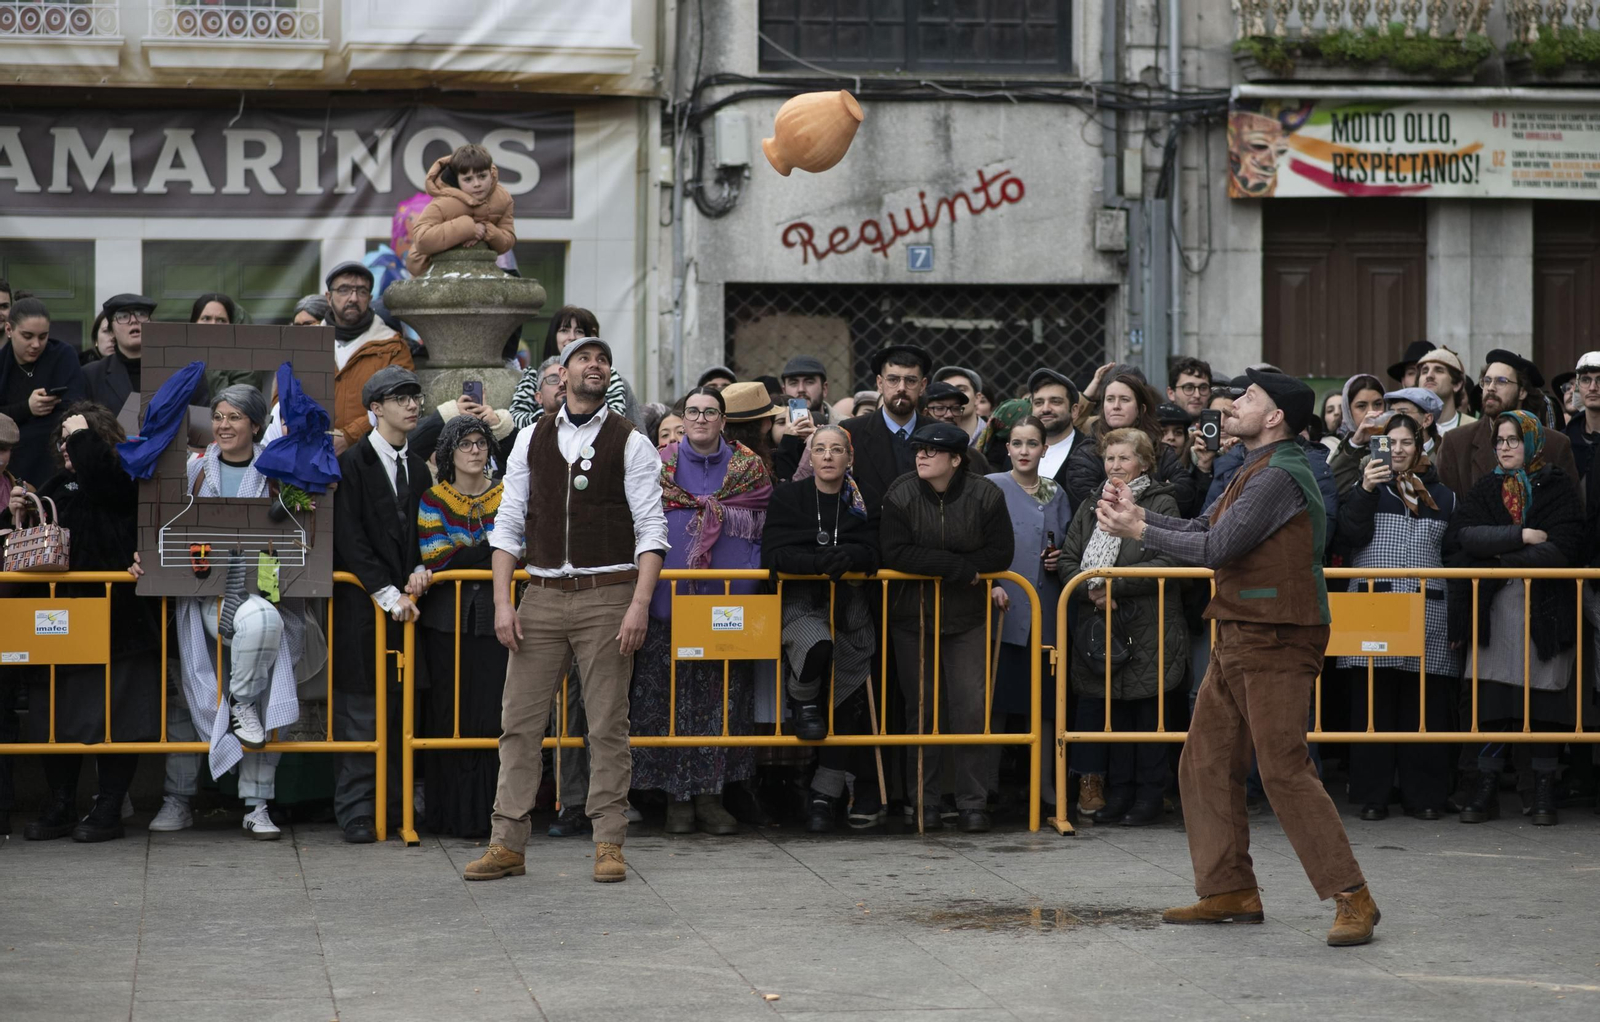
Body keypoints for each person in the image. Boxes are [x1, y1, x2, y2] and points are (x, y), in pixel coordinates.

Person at [1094, 369, 1379, 947]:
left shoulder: (1279, 473)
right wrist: (1141, 517)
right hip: (1241, 632)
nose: (1233, 403)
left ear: (1275, 417)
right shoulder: (1251, 467)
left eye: (1249, 397)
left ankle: (1354, 897)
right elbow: (1203, 526)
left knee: (1282, 769)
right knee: (1203, 763)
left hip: (1277, 635)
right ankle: (1230, 890)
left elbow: (1216, 548)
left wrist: (1140, 525)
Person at [467, 336, 667, 884]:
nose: (595, 365)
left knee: (606, 726)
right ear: (559, 375)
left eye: (603, 358)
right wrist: (506, 602)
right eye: (584, 358)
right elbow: (507, 526)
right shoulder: (530, 437)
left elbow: (652, 531)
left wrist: (639, 605)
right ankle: (506, 843)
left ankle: (608, 842)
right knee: (519, 724)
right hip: (544, 594)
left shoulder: (631, 441)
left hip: (608, 595)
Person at [161, 385, 305, 841]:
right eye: (218, 416)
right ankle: (177, 798)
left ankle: (257, 803)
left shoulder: (278, 475)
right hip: (204, 601)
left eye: (235, 417)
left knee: (257, 681)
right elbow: (164, 527)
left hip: (259, 597)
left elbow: (305, 536)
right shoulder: (192, 472)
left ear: (256, 425)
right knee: (191, 694)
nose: (223, 425)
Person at [7, 404, 156, 842]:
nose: (67, 447)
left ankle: (109, 807)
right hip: (58, 624)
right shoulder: (52, 487)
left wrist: (84, 437)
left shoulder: (126, 479)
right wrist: (21, 509)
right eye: (64, 439)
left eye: (77, 439)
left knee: (118, 719)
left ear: (98, 441)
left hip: (117, 624)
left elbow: (108, 488)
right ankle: (60, 805)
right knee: (57, 720)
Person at [631, 386, 771, 834]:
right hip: (666, 605)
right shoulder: (660, 464)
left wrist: (747, 589)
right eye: (693, 411)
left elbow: (761, 533)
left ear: (724, 420)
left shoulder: (749, 468)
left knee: (723, 703)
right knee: (669, 703)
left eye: (710, 412)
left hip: (727, 608)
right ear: (683, 417)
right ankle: (676, 800)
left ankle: (713, 798)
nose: (701, 419)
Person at [1446, 410, 1585, 827]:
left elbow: (1564, 548)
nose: (1504, 447)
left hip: (1546, 610)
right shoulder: (1488, 487)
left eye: (1513, 440)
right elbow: (1464, 536)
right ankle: (1485, 788)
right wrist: (1519, 537)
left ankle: (1543, 788)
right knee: (1493, 702)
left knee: (1544, 700)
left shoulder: (1558, 486)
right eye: (1500, 441)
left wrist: (1496, 559)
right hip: (1495, 611)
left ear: (1532, 442)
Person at [880, 422, 1015, 832]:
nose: (921, 455)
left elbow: (1000, 552)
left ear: (956, 460)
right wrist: (956, 566)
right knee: (921, 709)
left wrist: (939, 562)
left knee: (970, 709)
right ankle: (925, 802)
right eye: (918, 449)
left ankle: (973, 803)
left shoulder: (985, 494)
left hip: (968, 619)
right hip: (912, 618)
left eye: (931, 451)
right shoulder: (900, 493)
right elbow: (895, 552)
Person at [1059, 427, 1187, 827]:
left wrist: (1113, 580)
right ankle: (1118, 793)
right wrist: (1091, 590)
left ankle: (1149, 795)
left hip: (1149, 626)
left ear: (1144, 463)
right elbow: (1068, 561)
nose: (1115, 466)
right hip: (1100, 624)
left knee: (1147, 713)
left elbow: (1171, 561)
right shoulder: (1090, 505)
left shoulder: (1161, 503)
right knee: (1113, 714)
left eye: (1124, 458)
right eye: (1110, 458)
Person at [761, 425, 883, 831]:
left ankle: (824, 795)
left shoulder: (860, 504)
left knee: (847, 701)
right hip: (801, 602)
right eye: (819, 449)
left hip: (849, 605)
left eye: (836, 450)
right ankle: (803, 698)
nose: (828, 456)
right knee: (817, 644)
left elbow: (873, 550)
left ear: (849, 458)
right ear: (808, 458)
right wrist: (815, 563)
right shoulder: (788, 497)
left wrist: (850, 554)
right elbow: (774, 553)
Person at [1335, 413, 1456, 821]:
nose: (1399, 450)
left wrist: (1458, 616)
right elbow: (1348, 536)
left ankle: (1425, 796)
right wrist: (1367, 488)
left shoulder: (1444, 496)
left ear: (1420, 446)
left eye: (1407, 442)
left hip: (1428, 611)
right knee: (1374, 705)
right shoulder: (1365, 488)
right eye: (1391, 442)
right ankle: (1373, 795)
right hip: (1374, 608)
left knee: (1425, 707)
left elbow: (1454, 558)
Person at [331, 366, 433, 843]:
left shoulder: (415, 466)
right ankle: (356, 809)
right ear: (375, 408)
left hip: (407, 607)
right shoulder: (353, 463)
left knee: (401, 709)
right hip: (364, 606)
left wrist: (418, 568)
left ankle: (394, 807)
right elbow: (349, 538)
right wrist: (387, 593)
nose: (412, 405)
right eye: (400, 398)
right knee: (360, 710)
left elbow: (418, 531)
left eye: (414, 397)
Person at [416, 416, 506, 838]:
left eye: (481, 443)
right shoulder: (433, 498)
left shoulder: (507, 495)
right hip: (444, 621)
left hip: (495, 619)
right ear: (449, 453)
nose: (475, 451)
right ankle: (448, 814)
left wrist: (474, 552)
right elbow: (437, 557)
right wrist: (492, 549)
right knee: (446, 712)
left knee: (490, 714)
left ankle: (488, 815)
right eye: (465, 444)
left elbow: (518, 548)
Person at [986, 415, 1071, 806]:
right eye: (1017, 443)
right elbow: (978, 543)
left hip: (1047, 612)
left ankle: (1045, 786)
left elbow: (1069, 542)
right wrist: (992, 583)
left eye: (1031, 444)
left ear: (1044, 449)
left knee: (1046, 705)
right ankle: (984, 787)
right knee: (997, 702)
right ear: (1007, 448)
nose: (1024, 451)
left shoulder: (1057, 492)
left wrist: (1060, 559)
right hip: (1003, 610)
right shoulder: (991, 487)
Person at [1436, 350, 1580, 497]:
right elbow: (1448, 509)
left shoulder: (1556, 444)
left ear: (1522, 391)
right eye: (1487, 381)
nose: (1490, 387)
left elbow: (1572, 512)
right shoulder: (1456, 442)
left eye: (1501, 381)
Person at [1064, 371, 1198, 516]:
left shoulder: (1160, 450)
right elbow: (1089, 504)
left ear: (1141, 409)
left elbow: (1185, 494)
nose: (1116, 406)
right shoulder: (1087, 453)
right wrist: (1161, 490)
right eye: (1110, 399)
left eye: (1124, 399)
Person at [82, 293, 208, 427]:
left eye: (141, 314)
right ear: (111, 330)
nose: (133, 320)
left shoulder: (186, 371)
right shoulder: (91, 375)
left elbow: (201, 425)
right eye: (123, 316)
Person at [838, 344, 930, 524]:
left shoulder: (938, 433)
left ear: (922, 385)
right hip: (868, 535)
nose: (901, 388)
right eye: (893, 379)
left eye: (911, 380)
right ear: (880, 383)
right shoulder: (850, 431)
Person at [0, 297, 86, 488]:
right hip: (13, 467)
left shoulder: (63, 355)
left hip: (54, 462)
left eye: (43, 336)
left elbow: (77, 406)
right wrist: (27, 408)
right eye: (27, 336)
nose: (36, 344)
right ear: (9, 330)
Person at [512, 307, 638, 430]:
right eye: (564, 330)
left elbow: (617, 415)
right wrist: (554, 419)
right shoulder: (533, 376)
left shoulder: (604, 374)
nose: (572, 337)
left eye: (579, 331)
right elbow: (516, 418)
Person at [404, 144, 517, 277]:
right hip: (428, 272)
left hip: (478, 270)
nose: (477, 184)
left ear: (491, 174)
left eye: (482, 176)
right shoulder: (443, 202)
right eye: (468, 179)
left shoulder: (503, 198)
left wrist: (485, 229)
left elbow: (507, 241)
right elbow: (422, 240)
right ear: (457, 180)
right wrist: (469, 228)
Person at [1327, 386, 1443, 496]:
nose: (1395, 419)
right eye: (1392, 413)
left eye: (1403, 413)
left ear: (1427, 420)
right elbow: (1334, 490)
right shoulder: (1375, 460)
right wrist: (1355, 443)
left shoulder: (1444, 456)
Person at [1415, 347, 1476, 437]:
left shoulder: (1474, 428)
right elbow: (1386, 450)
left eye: (1439, 370)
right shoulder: (1405, 425)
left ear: (1457, 384)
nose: (1429, 375)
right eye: (1424, 371)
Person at [1564, 351, 1600, 480]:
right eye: (1585, 380)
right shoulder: (1565, 441)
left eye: (1599, 380)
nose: (1592, 387)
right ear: (1578, 387)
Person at [934, 365, 986, 441]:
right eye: (946, 390)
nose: (953, 395)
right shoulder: (927, 437)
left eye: (961, 390)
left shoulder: (995, 437)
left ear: (977, 398)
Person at [782, 355, 832, 424]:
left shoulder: (845, 427)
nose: (801, 389)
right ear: (784, 391)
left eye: (809, 382)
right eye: (793, 383)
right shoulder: (772, 429)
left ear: (824, 389)